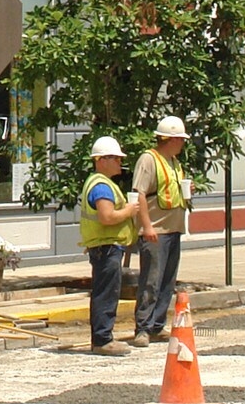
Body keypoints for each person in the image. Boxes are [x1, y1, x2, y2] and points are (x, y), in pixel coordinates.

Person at [80, 135, 148, 356]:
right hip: (107, 248)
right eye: (116, 158)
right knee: (106, 293)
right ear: (102, 160)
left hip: (105, 247)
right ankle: (103, 339)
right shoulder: (101, 187)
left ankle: (103, 337)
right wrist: (129, 211)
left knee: (105, 291)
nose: (120, 162)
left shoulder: (101, 183)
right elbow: (107, 217)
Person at [131, 115, 192, 346]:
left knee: (167, 281)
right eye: (180, 139)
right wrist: (146, 226)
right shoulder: (149, 159)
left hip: (173, 228)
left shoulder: (175, 162)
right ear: (170, 139)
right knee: (151, 280)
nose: (183, 143)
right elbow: (139, 194)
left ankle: (157, 325)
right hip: (156, 230)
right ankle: (143, 327)